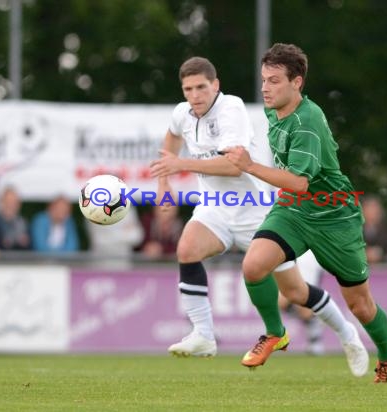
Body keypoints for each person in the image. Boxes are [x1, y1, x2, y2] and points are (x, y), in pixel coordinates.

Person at [150, 56, 368, 377]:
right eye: (188, 89)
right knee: (187, 249)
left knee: (295, 292)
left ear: (216, 85)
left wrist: (180, 166)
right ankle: (204, 336)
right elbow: (171, 139)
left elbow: (232, 164)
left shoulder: (231, 109)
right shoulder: (182, 113)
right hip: (216, 206)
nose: (195, 95)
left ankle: (348, 335)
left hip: (256, 211)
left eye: (201, 87)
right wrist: (163, 184)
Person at [223, 43, 387, 383]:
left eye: (274, 80)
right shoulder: (275, 111)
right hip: (294, 210)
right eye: (263, 80)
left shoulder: (308, 121)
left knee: (361, 305)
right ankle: (276, 333)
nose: (265, 88)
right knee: (254, 265)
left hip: (334, 217)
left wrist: (249, 166)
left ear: (297, 82)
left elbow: (300, 183)